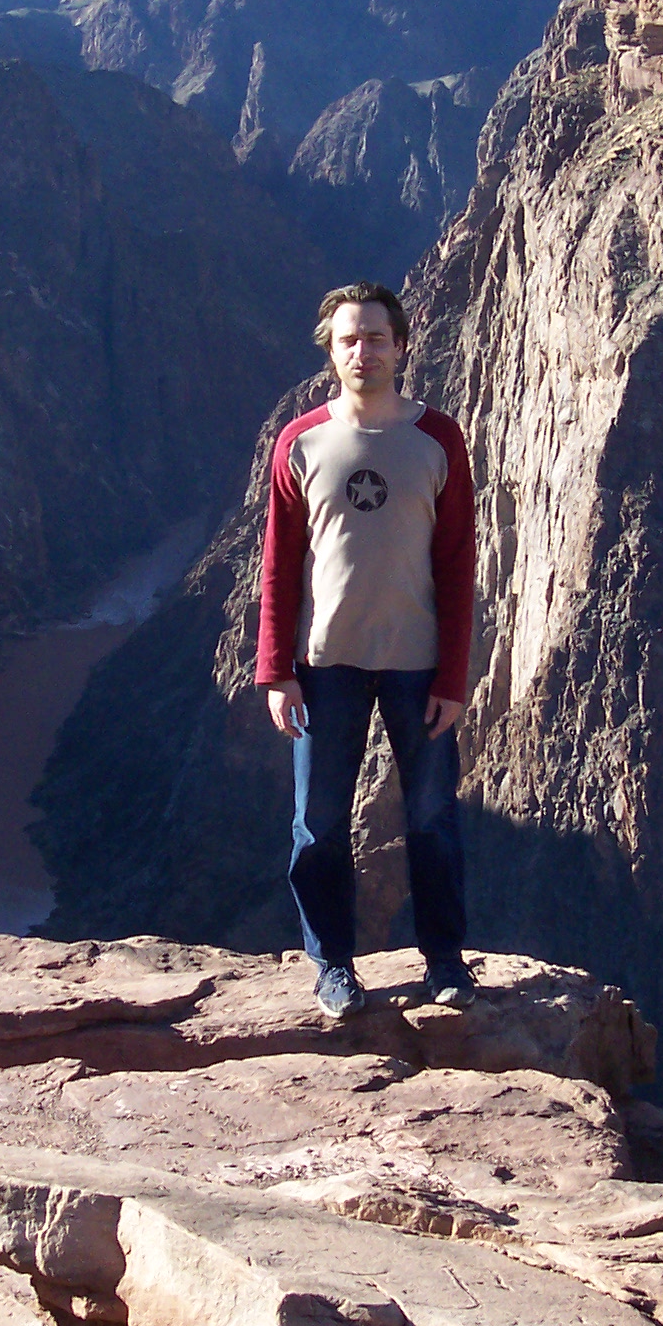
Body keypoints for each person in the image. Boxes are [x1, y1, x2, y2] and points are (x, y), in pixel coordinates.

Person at [255, 280, 476, 1023]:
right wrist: (275, 671)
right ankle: (332, 966)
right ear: (331, 351)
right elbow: (280, 565)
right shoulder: (300, 442)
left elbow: (457, 562)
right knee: (318, 824)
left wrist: (453, 676)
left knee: (432, 818)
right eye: (349, 339)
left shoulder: (438, 439)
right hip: (325, 666)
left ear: (401, 346)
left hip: (419, 664)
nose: (363, 351)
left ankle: (444, 959)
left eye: (377, 337)